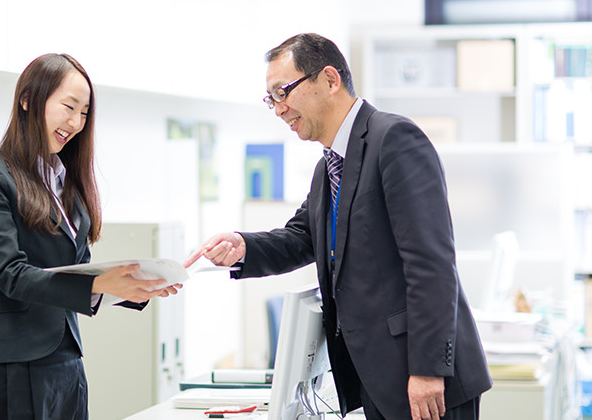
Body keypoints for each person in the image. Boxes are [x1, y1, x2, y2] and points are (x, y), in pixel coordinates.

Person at [184, 34, 491, 420]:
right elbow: (302, 238)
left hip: (425, 380)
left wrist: (428, 370)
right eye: (271, 99)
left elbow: (431, 263)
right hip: (379, 377)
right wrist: (243, 246)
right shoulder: (328, 166)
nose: (278, 109)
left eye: (283, 92)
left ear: (329, 79)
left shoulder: (393, 139)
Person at [0, 53, 180, 420]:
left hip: (64, 361)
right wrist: (98, 284)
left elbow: (76, 275)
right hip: (6, 366)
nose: (76, 122)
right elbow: (10, 273)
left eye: (85, 112)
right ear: (27, 100)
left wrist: (126, 286)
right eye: (69, 107)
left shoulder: (65, 184)